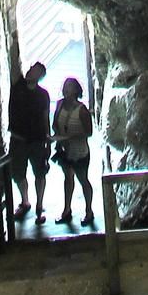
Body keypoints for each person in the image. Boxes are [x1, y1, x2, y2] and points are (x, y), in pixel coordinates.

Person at [7, 59, 51, 218]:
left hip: (37, 140)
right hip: (18, 139)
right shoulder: (17, 87)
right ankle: (25, 201)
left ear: (40, 76)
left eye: (35, 70)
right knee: (18, 173)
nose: (31, 71)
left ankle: (40, 204)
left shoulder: (43, 95)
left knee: (40, 172)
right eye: (31, 68)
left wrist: (48, 141)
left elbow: (45, 118)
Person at [52, 75, 95, 226]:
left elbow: (89, 132)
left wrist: (68, 137)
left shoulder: (82, 110)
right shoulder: (59, 105)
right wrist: (58, 138)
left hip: (79, 150)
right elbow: (55, 124)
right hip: (65, 150)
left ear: (76, 90)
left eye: (69, 86)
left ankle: (89, 211)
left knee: (83, 179)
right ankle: (67, 210)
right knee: (68, 178)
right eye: (65, 86)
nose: (65, 89)